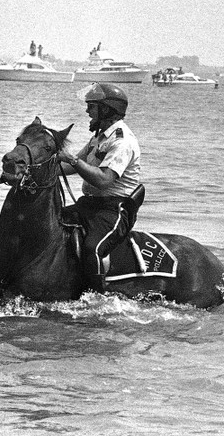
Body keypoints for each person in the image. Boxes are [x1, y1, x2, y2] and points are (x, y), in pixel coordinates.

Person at [57, 83, 141, 293]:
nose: (87, 111)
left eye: (91, 106)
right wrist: (42, 168)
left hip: (114, 210)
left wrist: (73, 160)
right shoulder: (99, 136)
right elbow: (71, 166)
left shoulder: (123, 141)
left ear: (106, 110)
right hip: (89, 205)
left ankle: (96, 298)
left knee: (92, 248)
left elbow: (104, 179)